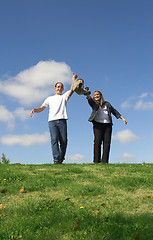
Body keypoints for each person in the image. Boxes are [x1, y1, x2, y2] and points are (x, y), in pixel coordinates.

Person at [30, 73, 77, 164]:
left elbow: (72, 89)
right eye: (58, 87)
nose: (59, 88)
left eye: (61, 87)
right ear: (55, 88)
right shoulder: (49, 98)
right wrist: (34, 110)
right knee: (54, 140)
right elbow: (42, 108)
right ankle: (56, 159)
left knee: (63, 141)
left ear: (62, 89)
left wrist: (73, 79)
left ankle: (61, 158)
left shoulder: (64, 97)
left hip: (62, 120)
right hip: (52, 121)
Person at [86, 90, 127, 163]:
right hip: (97, 125)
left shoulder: (107, 104)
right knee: (97, 142)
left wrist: (122, 118)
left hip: (107, 125)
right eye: (95, 95)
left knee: (107, 143)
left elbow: (114, 111)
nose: (96, 96)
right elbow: (90, 101)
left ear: (101, 95)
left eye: (98, 94)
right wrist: (87, 95)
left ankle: (104, 161)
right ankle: (96, 161)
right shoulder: (94, 103)